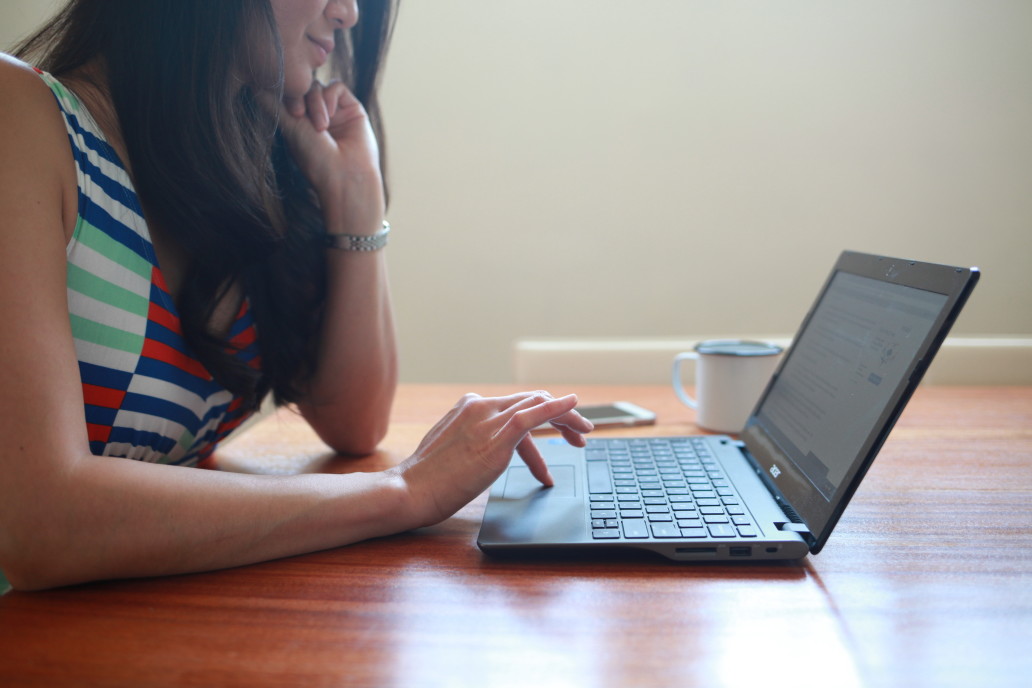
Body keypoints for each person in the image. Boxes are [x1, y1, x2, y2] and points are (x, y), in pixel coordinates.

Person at [0, 0, 592, 591]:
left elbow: (352, 420)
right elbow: (39, 523)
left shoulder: (251, 163)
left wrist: (356, 199)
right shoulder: (17, 113)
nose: (349, 14)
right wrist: (404, 490)